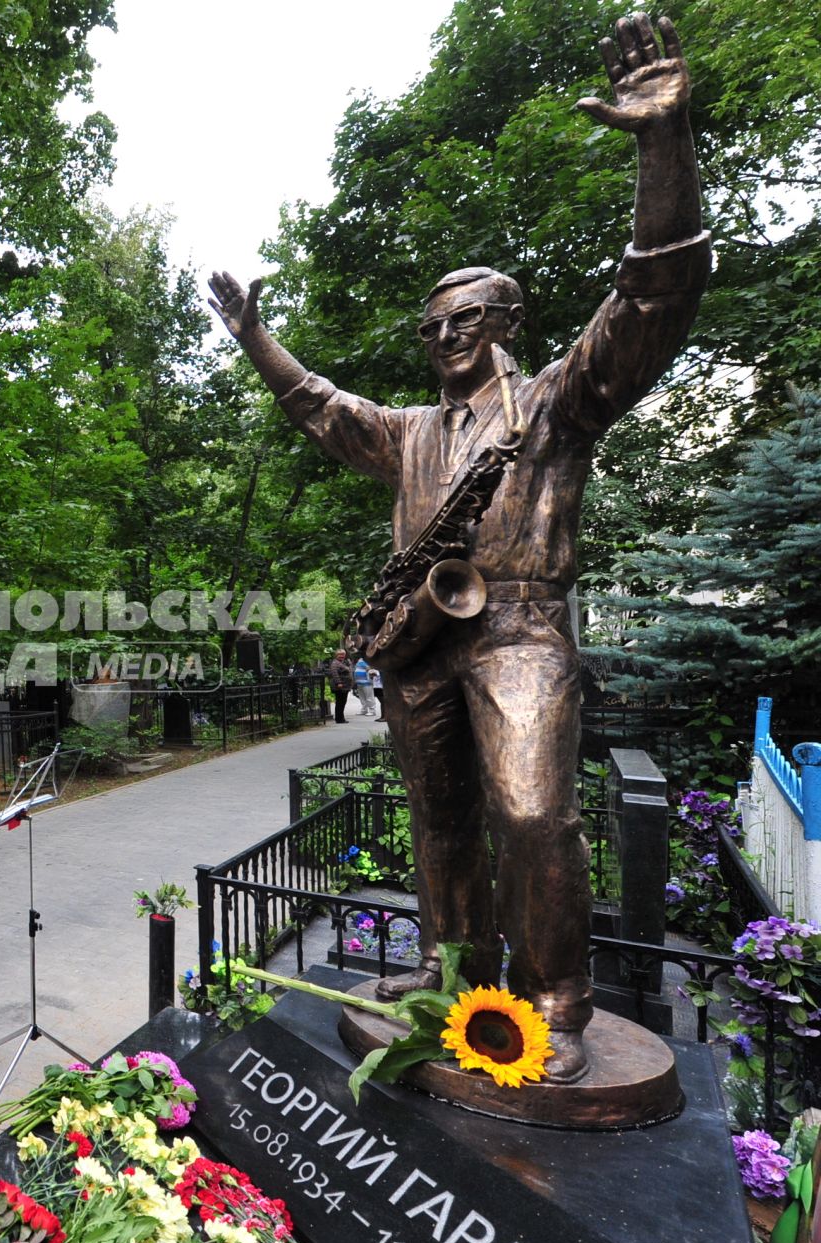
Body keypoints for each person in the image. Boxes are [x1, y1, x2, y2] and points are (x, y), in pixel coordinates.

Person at [208, 12, 707, 1082]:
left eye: (464, 318)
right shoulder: (406, 432)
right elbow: (317, 406)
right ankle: (452, 972)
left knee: (531, 812)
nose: (443, 337)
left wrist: (660, 144)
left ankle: (557, 998)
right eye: (431, 325)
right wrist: (254, 335)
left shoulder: (552, 402)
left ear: (507, 320)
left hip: (519, 626)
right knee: (438, 826)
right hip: (418, 641)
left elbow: (651, 302)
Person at [327, 650, 355, 724]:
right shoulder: (335, 663)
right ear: (336, 655)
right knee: (340, 702)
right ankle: (339, 719)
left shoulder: (342, 662)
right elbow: (334, 673)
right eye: (340, 654)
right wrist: (338, 682)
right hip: (340, 686)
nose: (342, 656)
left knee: (342, 702)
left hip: (345, 686)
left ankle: (340, 718)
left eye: (343, 654)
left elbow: (349, 670)